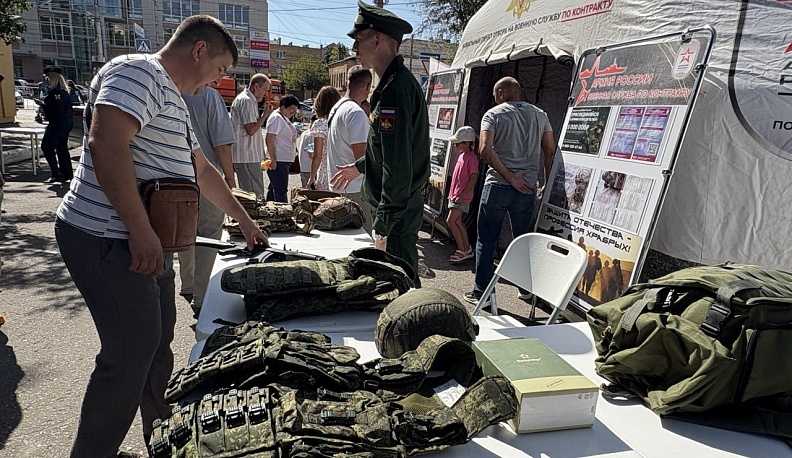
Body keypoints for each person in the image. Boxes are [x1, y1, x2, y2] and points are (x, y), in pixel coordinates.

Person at [54, 15, 268, 457]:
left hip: (142, 241)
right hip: (107, 237)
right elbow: (106, 143)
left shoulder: (173, 96)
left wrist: (243, 219)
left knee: (158, 341)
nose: (220, 79)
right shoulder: (138, 71)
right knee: (130, 353)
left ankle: (164, 440)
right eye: (222, 68)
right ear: (199, 51)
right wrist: (139, 230)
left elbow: (202, 171)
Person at [332, 1, 430, 286]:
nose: (354, 49)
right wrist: (361, 166)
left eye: (358, 40)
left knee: (401, 285)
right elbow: (387, 150)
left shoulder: (395, 90)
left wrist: (383, 226)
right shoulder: (391, 84)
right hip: (397, 204)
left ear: (376, 40)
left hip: (396, 210)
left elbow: (398, 164)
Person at [463, 76, 555, 304]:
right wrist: (545, 181)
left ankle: (482, 294)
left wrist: (509, 175)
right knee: (523, 241)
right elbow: (550, 150)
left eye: (496, 94)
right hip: (527, 188)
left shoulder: (493, 114)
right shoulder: (540, 114)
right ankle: (525, 289)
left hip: (497, 185)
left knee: (486, 240)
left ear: (502, 93)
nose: (495, 98)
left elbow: (484, 149)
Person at [177, 85, 236, 318]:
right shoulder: (209, 96)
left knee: (184, 232)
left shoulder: (170, 89)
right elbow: (221, 144)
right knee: (209, 233)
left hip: (172, 180)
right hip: (205, 177)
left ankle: (188, 283)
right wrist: (230, 179)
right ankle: (202, 297)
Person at [325, 65, 374, 232]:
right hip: (355, 189)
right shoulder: (356, 113)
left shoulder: (337, 108)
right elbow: (361, 158)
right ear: (368, 87)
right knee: (365, 241)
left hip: (339, 186)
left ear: (347, 83)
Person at [230, 73, 273, 196]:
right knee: (253, 194)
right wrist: (264, 115)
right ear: (256, 86)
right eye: (265, 90)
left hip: (248, 155)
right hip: (246, 156)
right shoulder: (246, 100)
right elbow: (251, 130)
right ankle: (250, 215)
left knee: (253, 193)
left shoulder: (249, 100)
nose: (266, 94)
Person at [445, 126, 479, 263]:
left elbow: (473, 178)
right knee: (458, 221)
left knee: (451, 221)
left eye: (458, 142)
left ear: (467, 143)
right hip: (456, 195)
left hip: (461, 197)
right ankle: (466, 248)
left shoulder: (472, 158)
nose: (455, 145)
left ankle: (461, 249)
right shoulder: (462, 156)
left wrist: (461, 195)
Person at [39, 68, 74, 184]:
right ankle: (66, 173)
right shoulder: (64, 91)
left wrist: (42, 105)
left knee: (47, 146)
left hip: (57, 124)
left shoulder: (56, 92)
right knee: (61, 148)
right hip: (65, 123)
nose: (46, 81)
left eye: (47, 78)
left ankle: (56, 173)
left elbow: (57, 110)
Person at [264, 93, 300, 202]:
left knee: (274, 187)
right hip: (278, 159)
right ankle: (283, 213)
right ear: (284, 106)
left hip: (283, 159)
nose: (293, 112)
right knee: (281, 190)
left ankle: (269, 210)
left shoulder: (283, 118)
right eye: (292, 108)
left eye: (295, 109)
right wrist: (273, 159)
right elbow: (270, 139)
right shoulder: (277, 118)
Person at [307, 86, 342, 191]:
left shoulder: (320, 124)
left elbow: (317, 155)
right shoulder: (341, 121)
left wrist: (312, 178)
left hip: (326, 172)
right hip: (342, 170)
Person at [296, 115, 316, 188]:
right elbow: (311, 154)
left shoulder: (305, 133)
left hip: (304, 167)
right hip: (310, 168)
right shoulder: (312, 135)